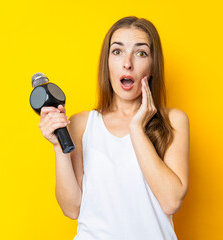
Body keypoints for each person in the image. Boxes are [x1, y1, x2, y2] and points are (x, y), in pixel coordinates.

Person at [38, 16, 189, 240]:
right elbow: (72, 208)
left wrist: (137, 128)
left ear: (153, 66)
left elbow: (171, 201)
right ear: (107, 63)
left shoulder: (173, 121)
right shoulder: (82, 124)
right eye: (117, 52)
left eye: (141, 53)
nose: (127, 63)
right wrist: (59, 147)